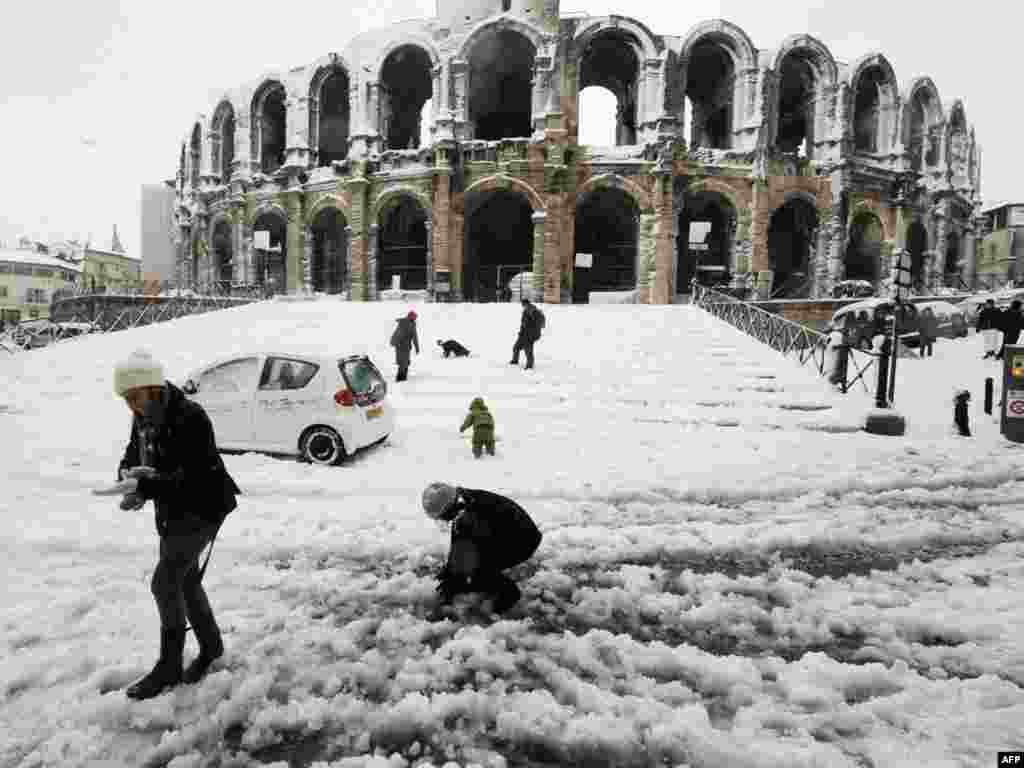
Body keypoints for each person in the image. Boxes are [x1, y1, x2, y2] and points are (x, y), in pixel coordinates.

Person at [95, 350, 241, 700]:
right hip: (173, 510)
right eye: (126, 400)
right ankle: (212, 648)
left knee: (165, 582)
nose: (131, 405)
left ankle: (169, 665)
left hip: (204, 507)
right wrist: (128, 478)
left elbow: (194, 478)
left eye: (135, 396)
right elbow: (133, 454)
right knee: (186, 581)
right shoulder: (143, 416)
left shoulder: (190, 416)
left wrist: (146, 487)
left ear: (152, 388)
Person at [421, 483, 542, 616]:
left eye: (443, 516)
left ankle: (509, 593)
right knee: (467, 565)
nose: (444, 520)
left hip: (524, 541)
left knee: (477, 570)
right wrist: (450, 570)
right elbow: (458, 541)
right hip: (507, 532)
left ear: (451, 507)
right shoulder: (464, 502)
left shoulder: (472, 516)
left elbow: (470, 552)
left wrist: (455, 581)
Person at [510, 298, 545, 370]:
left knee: (528, 350)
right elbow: (524, 323)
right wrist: (522, 332)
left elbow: (536, 324)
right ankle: (515, 360)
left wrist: (531, 333)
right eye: (522, 305)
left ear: (526, 304)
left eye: (523, 304)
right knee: (516, 347)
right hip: (523, 334)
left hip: (530, 335)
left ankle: (529, 365)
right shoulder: (526, 310)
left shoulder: (533, 311)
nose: (522, 306)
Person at [390, 309, 420, 382]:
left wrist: (416, 347)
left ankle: (402, 378)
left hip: (404, 346)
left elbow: (413, 336)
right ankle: (400, 379)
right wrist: (417, 348)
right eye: (414, 317)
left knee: (404, 362)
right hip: (402, 346)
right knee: (403, 363)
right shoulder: (407, 324)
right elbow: (398, 334)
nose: (415, 319)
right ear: (411, 317)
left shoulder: (407, 323)